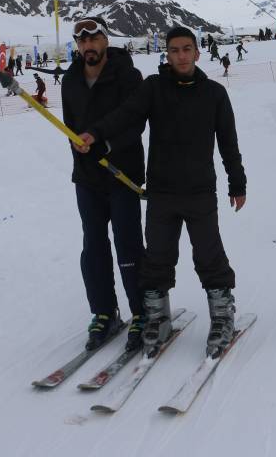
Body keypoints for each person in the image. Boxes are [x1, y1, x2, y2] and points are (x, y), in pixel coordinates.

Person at [89, 26, 246, 358]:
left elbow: (228, 143)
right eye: (175, 50)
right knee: (157, 258)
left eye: (187, 49)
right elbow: (126, 116)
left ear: (197, 53)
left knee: (209, 255)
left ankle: (222, 316)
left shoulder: (215, 94)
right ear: (168, 55)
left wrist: (237, 182)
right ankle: (157, 319)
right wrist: (97, 134)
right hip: (161, 191)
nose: (181, 55)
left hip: (199, 191)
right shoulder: (154, 88)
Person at [61, 17, 147, 352]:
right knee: (93, 247)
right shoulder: (70, 80)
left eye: (93, 39)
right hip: (87, 176)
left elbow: (135, 121)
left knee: (127, 245)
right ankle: (104, 312)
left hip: (120, 172)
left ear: (104, 40)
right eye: (81, 42)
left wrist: (104, 143)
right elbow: (71, 124)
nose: (88, 46)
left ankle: (142, 312)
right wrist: (78, 144)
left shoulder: (127, 76)